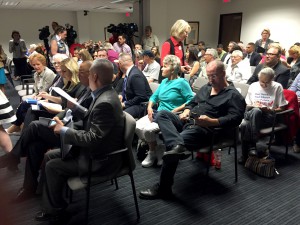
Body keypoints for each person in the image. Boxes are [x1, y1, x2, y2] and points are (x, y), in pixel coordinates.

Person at [32, 59, 125, 223]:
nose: (87, 78)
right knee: (49, 157)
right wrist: (74, 111)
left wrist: (65, 131)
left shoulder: (105, 102)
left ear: (94, 76)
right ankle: (48, 199)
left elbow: (93, 138)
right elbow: (91, 120)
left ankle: (56, 210)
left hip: (100, 159)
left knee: (53, 165)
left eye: (88, 75)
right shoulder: (103, 94)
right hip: (95, 150)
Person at [139, 60, 246, 199]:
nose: (210, 80)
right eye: (208, 76)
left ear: (223, 74)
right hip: (189, 122)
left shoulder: (233, 95)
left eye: (214, 76)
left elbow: (236, 119)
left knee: (172, 150)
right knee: (162, 114)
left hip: (207, 130)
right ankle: (178, 145)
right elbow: (192, 102)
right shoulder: (207, 87)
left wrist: (212, 121)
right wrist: (187, 110)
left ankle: (164, 188)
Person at [0, 61, 93, 202]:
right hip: (65, 123)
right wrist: (59, 117)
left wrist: (64, 122)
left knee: (35, 126)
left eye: (81, 72)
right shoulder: (87, 89)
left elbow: (85, 123)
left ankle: (14, 156)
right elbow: (70, 110)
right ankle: (29, 187)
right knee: (34, 144)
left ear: (92, 75)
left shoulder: (92, 93)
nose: (78, 74)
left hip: (72, 133)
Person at [136, 55, 194, 167]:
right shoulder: (164, 82)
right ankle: (156, 148)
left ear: (173, 69)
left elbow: (191, 100)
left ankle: (152, 152)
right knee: (137, 125)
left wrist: (178, 108)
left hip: (171, 116)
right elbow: (154, 97)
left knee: (148, 130)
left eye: (165, 66)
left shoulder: (182, 82)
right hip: (158, 113)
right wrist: (149, 107)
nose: (161, 69)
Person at [240, 67, 288, 163]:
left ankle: (245, 155)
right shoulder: (253, 85)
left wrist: (269, 109)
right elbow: (247, 105)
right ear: (259, 78)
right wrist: (254, 105)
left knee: (245, 125)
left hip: (268, 117)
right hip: (250, 113)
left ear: (272, 79)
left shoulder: (277, 87)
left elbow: (282, 108)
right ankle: (253, 144)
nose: (264, 85)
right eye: (262, 82)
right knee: (256, 110)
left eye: (267, 82)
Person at [6, 53, 56, 134]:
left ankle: (17, 126)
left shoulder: (49, 74)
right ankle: (22, 128)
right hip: (40, 97)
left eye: (38, 64)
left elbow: (45, 91)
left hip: (48, 100)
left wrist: (36, 96)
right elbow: (36, 91)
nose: (36, 67)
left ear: (43, 63)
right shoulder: (36, 74)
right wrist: (33, 96)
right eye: (33, 65)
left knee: (24, 106)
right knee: (24, 107)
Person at [118, 53, 152, 118]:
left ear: (120, 64)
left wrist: (125, 104)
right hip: (133, 103)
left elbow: (141, 97)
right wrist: (121, 95)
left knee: (120, 116)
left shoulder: (135, 75)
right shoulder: (130, 72)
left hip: (142, 105)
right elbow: (126, 90)